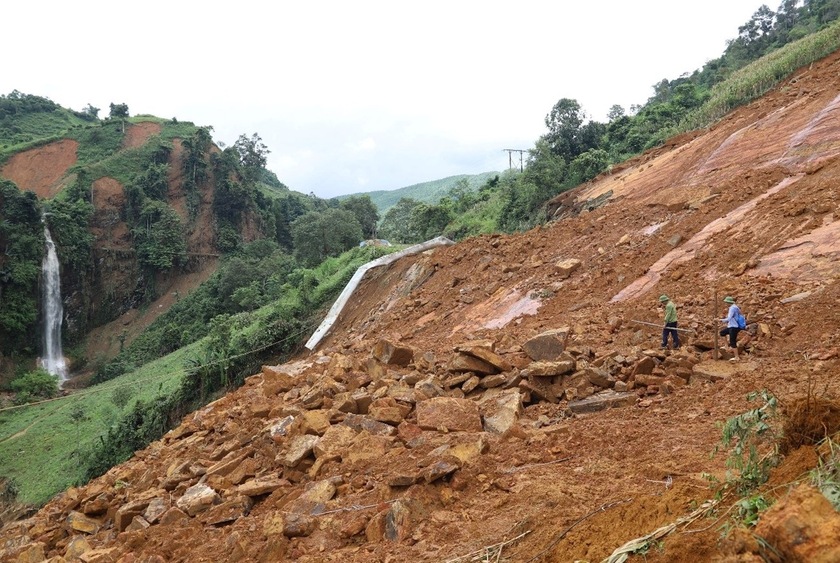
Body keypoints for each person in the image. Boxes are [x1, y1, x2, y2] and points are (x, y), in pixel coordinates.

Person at [719, 296, 742, 361]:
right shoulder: (736, 307)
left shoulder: (732, 308)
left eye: (726, 302)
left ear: (729, 302)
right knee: (722, 333)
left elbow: (728, 318)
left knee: (732, 342)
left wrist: (719, 320)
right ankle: (726, 346)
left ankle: (737, 357)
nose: (726, 304)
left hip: (734, 327)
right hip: (732, 326)